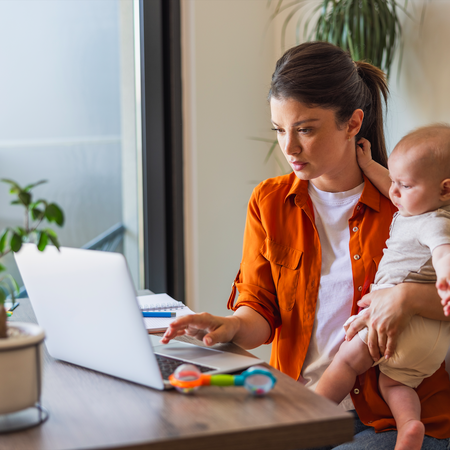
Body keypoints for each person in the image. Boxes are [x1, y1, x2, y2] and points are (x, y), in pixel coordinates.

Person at [161, 42, 450, 449]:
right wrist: (230, 327)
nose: (289, 148)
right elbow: (260, 309)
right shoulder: (270, 201)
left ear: (353, 123)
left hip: (392, 418)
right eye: (280, 130)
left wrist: (405, 298)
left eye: (305, 129)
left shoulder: (410, 204)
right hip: (298, 407)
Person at [315, 125, 450, 450]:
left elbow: (443, 250)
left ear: (446, 190)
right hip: (430, 340)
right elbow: (388, 183)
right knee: (395, 382)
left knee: (346, 361)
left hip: (404, 323)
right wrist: (368, 165)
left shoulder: (434, 222)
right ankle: (408, 427)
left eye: (405, 185)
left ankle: (306, 411)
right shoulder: (416, 204)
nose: (395, 192)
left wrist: (446, 276)